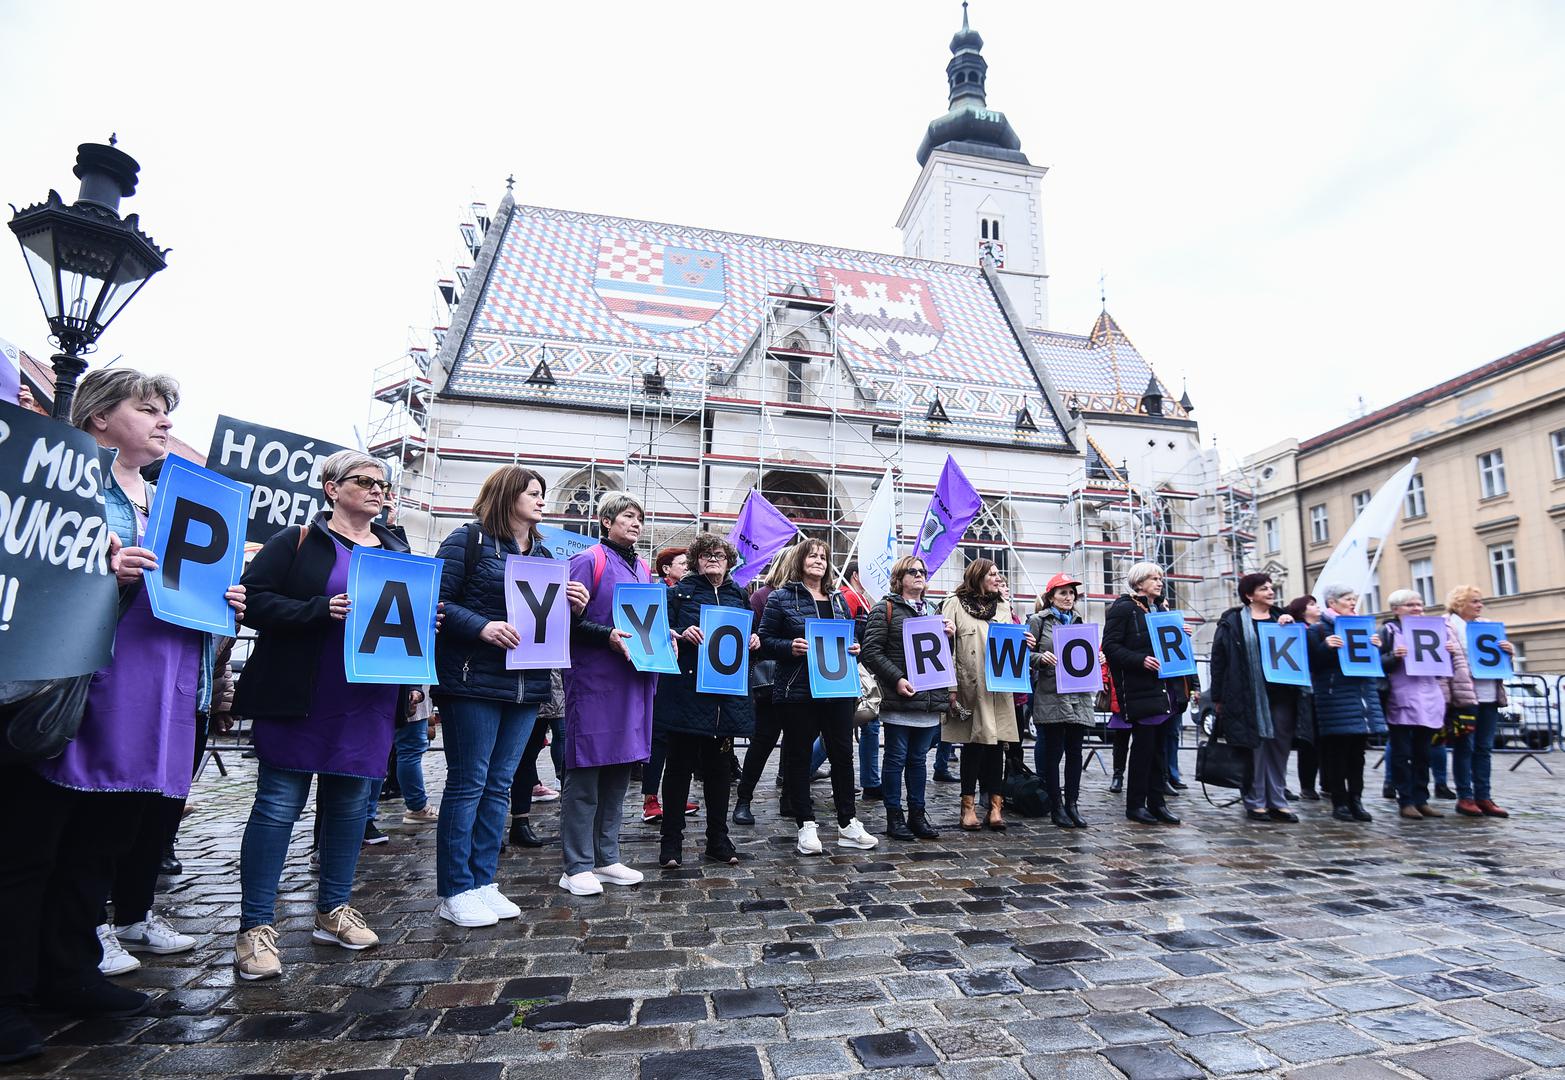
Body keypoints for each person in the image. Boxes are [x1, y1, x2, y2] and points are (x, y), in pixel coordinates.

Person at [0, 371, 245, 1060]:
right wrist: (102, 576)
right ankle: (8, 995)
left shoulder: (171, 499)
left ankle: (69, 973)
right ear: (100, 417)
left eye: (167, 410)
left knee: (101, 844)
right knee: (31, 851)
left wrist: (223, 606)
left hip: (154, 695)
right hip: (76, 692)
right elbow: (30, 573)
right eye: (149, 409)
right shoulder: (66, 486)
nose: (164, 421)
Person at [233, 449, 404, 979]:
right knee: (278, 803)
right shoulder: (298, 541)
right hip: (301, 691)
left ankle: (333, 910)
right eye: (365, 481)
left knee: (352, 805)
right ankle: (256, 928)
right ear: (332, 488)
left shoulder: (397, 548)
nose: (378, 490)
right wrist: (316, 610)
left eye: (383, 484)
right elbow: (251, 601)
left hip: (368, 696)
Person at [432, 465, 587, 924]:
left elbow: (548, 626)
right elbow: (437, 601)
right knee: (468, 783)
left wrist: (571, 606)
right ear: (507, 496)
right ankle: (454, 889)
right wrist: (481, 626)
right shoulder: (468, 540)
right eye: (533, 493)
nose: (542, 500)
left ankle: (483, 880)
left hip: (527, 684)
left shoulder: (543, 553)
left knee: (499, 785)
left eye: (542, 494)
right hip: (472, 679)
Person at [559, 492, 665, 894]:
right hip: (595, 680)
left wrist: (662, 636)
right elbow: (566, 621)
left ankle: (606, 857)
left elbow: (645, 621)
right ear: (606, 521)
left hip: (633, 680)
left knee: (620, 770)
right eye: (627, 516)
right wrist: (607, 636)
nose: (635, 523)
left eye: (639, 517)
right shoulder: (589, 560)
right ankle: (576, 864)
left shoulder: (640, 566)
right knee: (587, 772)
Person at [760, 538, 877, 854]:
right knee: (798, 757)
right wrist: (790, 647)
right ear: (800, 560)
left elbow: (847, 639)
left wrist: (854, 648)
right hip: (799, 689)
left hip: (837, 688)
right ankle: (805, 825)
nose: (818, 560)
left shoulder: (838, 599)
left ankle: (847, 823)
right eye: (812, 555)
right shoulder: (781, 598)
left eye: (823, 556)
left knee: (841, 755)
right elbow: (766, 640)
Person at [654, 532, 758, 866]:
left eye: (720, 555)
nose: (713, 559)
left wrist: (753, 641)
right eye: (706, 555)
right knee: (679, 769)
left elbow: (743, 644)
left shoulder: (739, 595)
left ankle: (718, 839)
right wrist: (680, 635)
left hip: (724, 699)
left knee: (718, 771)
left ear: (729, 561)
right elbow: (661, 633)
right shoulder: (679, 594)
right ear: (697, 560)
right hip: (686, 693)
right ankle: (671, 842)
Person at [860, 555, 950, 841]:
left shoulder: (934, 610)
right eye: (913, 571)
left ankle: (917, 814)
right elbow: (871, 652)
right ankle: (893, 815)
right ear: (900, 578)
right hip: (900, 698)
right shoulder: (884, 609)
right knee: (896, 758)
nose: (920, 575)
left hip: (927, 699)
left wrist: (950, 635)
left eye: (923, 571)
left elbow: (939, 656)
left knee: (919, 759)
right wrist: (897, 679)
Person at [1209, 573, 1312, 823]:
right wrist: (1218, 696)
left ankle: (1277, 799)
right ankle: (1255, 800)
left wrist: (1294, 626)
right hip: (1247, 695)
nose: (1270, 591)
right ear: (1249, 595)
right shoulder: (1233, 622)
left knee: (1279, 748)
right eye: (1263, 588)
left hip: (1282, 695)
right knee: (1254, 749)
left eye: (1270, 587)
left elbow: (1302, 652)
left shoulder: (1282, 619)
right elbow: (1219, 660)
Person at [942, 559, 1032, 832]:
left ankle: (995, 805)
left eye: (998, 573)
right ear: (978, 575)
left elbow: (1010, 644)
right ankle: (967, 807)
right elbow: (946, 647)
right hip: (969, 687)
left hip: (998, 688)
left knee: (997, 745)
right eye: (992, 574)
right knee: (974, 745)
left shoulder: (1003, 606)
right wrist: (950, 687)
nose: (997, 577)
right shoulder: (954, 603)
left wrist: (1025, 642)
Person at [1102, 562, 1188, 826]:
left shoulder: (1160, 608)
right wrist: (1140, 660)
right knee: (1143, 749)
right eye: (1154, 578)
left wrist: (1181, 635)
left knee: (1160, 750)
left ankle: (1157, 802)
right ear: (1139, 582)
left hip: (1163, 689)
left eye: (1161, 577)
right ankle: (1136, 804)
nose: (1160, 582)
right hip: (1141, 689)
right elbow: (1111, 647)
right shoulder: (1124, 608)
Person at [1381, 590, 1475, 821]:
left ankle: (1421, 798)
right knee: (1402, 753)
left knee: (1424, 752)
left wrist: (1450, 653)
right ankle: (1405, 800)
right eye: (1410, 605)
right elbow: (1377, 662)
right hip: (1401, 697)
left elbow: (1449, 667)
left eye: (1419, 604)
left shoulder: (1434, 630)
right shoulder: (1389, 631)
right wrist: (1393, 656)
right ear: (1396, 609)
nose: (1416, 609)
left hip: (1429, 698)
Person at [1306, 584, 1385, 822]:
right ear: (1333, 603)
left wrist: (1377, 649)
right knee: (1336, 754)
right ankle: (1339, 801)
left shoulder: (1362, 627)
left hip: (1360, 699)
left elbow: (1371, 665)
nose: (1352, 603)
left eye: (1353, 599)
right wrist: (1326, 648)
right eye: (1348, 599)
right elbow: (1314, 664)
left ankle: (1356, 800)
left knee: (1357, 755)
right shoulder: (1319, 629)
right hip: (1334, 698)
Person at [1027, 573, 1095, 829]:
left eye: (1071, 593)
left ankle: (1072, 804)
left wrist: (1096, 659)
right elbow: (1025, 655)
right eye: (1063, 593)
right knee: (1054, 752)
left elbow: (1085, 653)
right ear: (1051, 597)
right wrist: (1040, 658)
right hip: (1051, 693)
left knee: (1075, 752)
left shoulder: (1079, 621)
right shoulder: (1038, 621)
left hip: (1078, 694)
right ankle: (1056, 806)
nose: (1068, 597)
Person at [732, 554, 793, 824]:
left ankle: (790, 797)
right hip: (770, 683)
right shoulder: (763, 597)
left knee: (796, 744)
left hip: (800, 683)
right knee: (762, 742)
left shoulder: (808, 597)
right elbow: (756, 638)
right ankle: (744, 799)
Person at [1444, 586, 1514, 818]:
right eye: (1474, 601)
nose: (1479, 605)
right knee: (1466, 747)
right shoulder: (1448, 626)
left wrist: (1507, 652)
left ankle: (1484, 795)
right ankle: (1465, 796)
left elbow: (1501, 665)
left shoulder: (1488, 626)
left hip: (1489, 695)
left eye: (1480, 601)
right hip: (1465, 698)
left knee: (1484, 748)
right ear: (1459, 603)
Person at [641, 546, 696, 822]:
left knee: (679, 737)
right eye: (682, 564)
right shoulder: (660, 592)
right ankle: (650, 799)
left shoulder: (691, 594)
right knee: (659, 737)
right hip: (662, 672)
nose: (687, 567)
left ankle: (675, 796)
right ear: (666, 569)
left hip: (683, 673)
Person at [838, 560, 882, 800]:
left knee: (863, 724)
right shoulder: (849, 597)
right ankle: (871, 782)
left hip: (859, 669)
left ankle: (871, 782)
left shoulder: (859, 598)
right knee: (848, 726)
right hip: (855, 670)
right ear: (855, 575)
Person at [508, 670, 565, 848]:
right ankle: (517, 820)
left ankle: (520, 822)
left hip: (551, 680)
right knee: (522, 754)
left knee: (530, 753)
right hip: (520, 678)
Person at [1285, 595, 1323, 799]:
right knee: (1307, 741)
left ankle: (1324, 782)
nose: (1317, 607)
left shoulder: (1323, 629)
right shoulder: (1296, 629)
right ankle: (1306, 785)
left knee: (1320, 740)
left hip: (1322, 690)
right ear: (1301, 610)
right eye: (1312, 604)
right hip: (1301, 691)